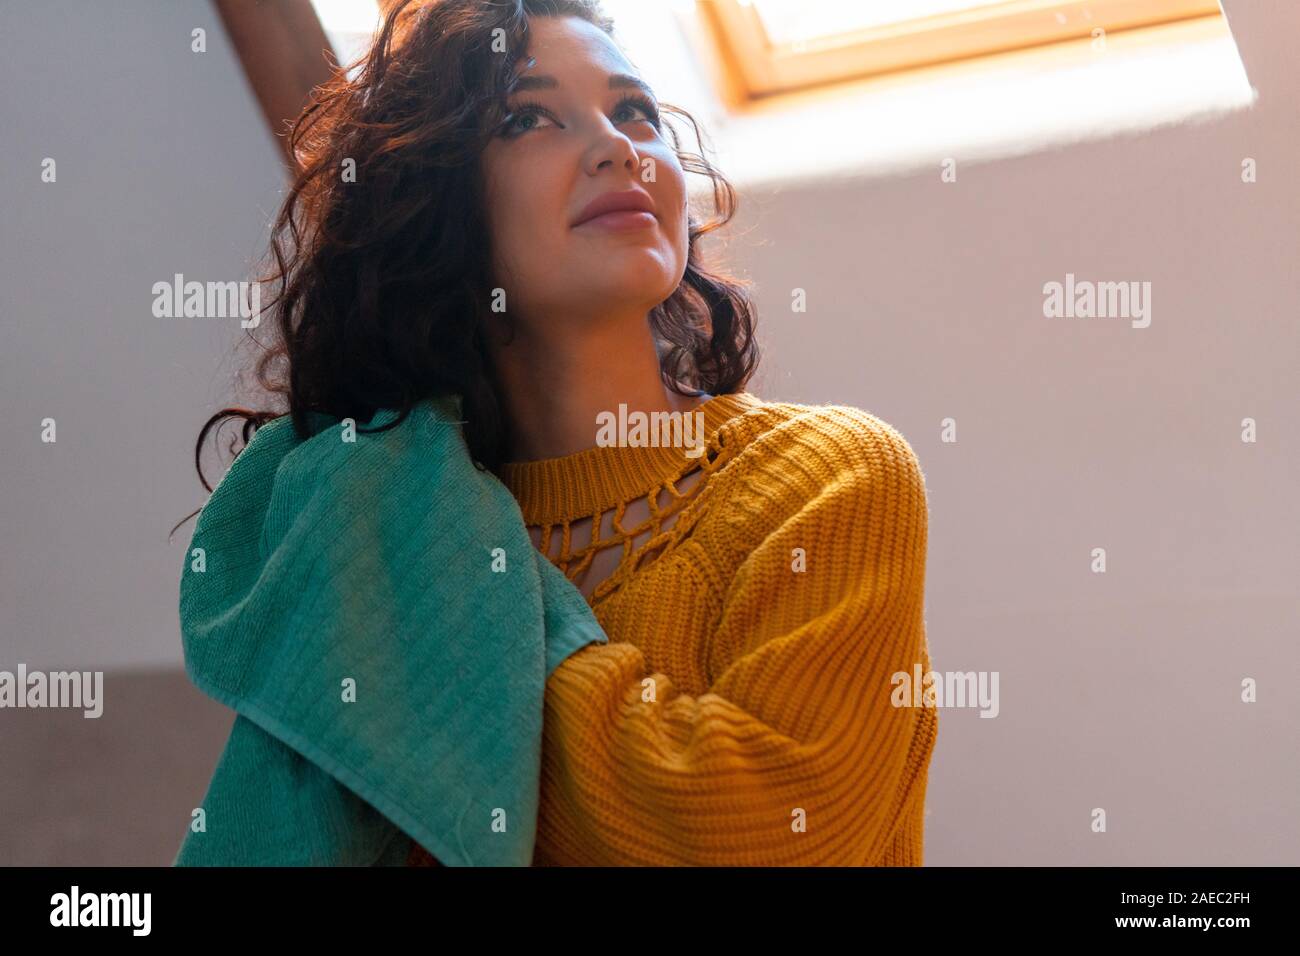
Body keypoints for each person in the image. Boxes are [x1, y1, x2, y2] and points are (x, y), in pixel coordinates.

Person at [185, 0, 937, 866]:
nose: (620, 147)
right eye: (528, 117)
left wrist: (445, 623)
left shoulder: (828, 477)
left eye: (635, 112)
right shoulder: (374, 529)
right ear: (434, 207)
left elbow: (761, 827)